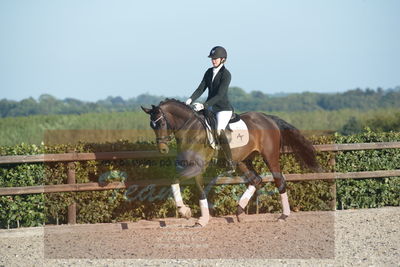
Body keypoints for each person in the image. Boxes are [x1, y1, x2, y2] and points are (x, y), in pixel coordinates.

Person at [185, 46, 235, 172]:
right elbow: (201, 88)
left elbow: (220, 95)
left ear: (223, 59)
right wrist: (190, 99)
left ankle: (230, 162)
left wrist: (204, 105)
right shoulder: (208, 72)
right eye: (212, 58)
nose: (213, 61)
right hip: (210, 107)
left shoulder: (226, 74)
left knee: (218, 130)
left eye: (215, 58)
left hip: (223, 109)